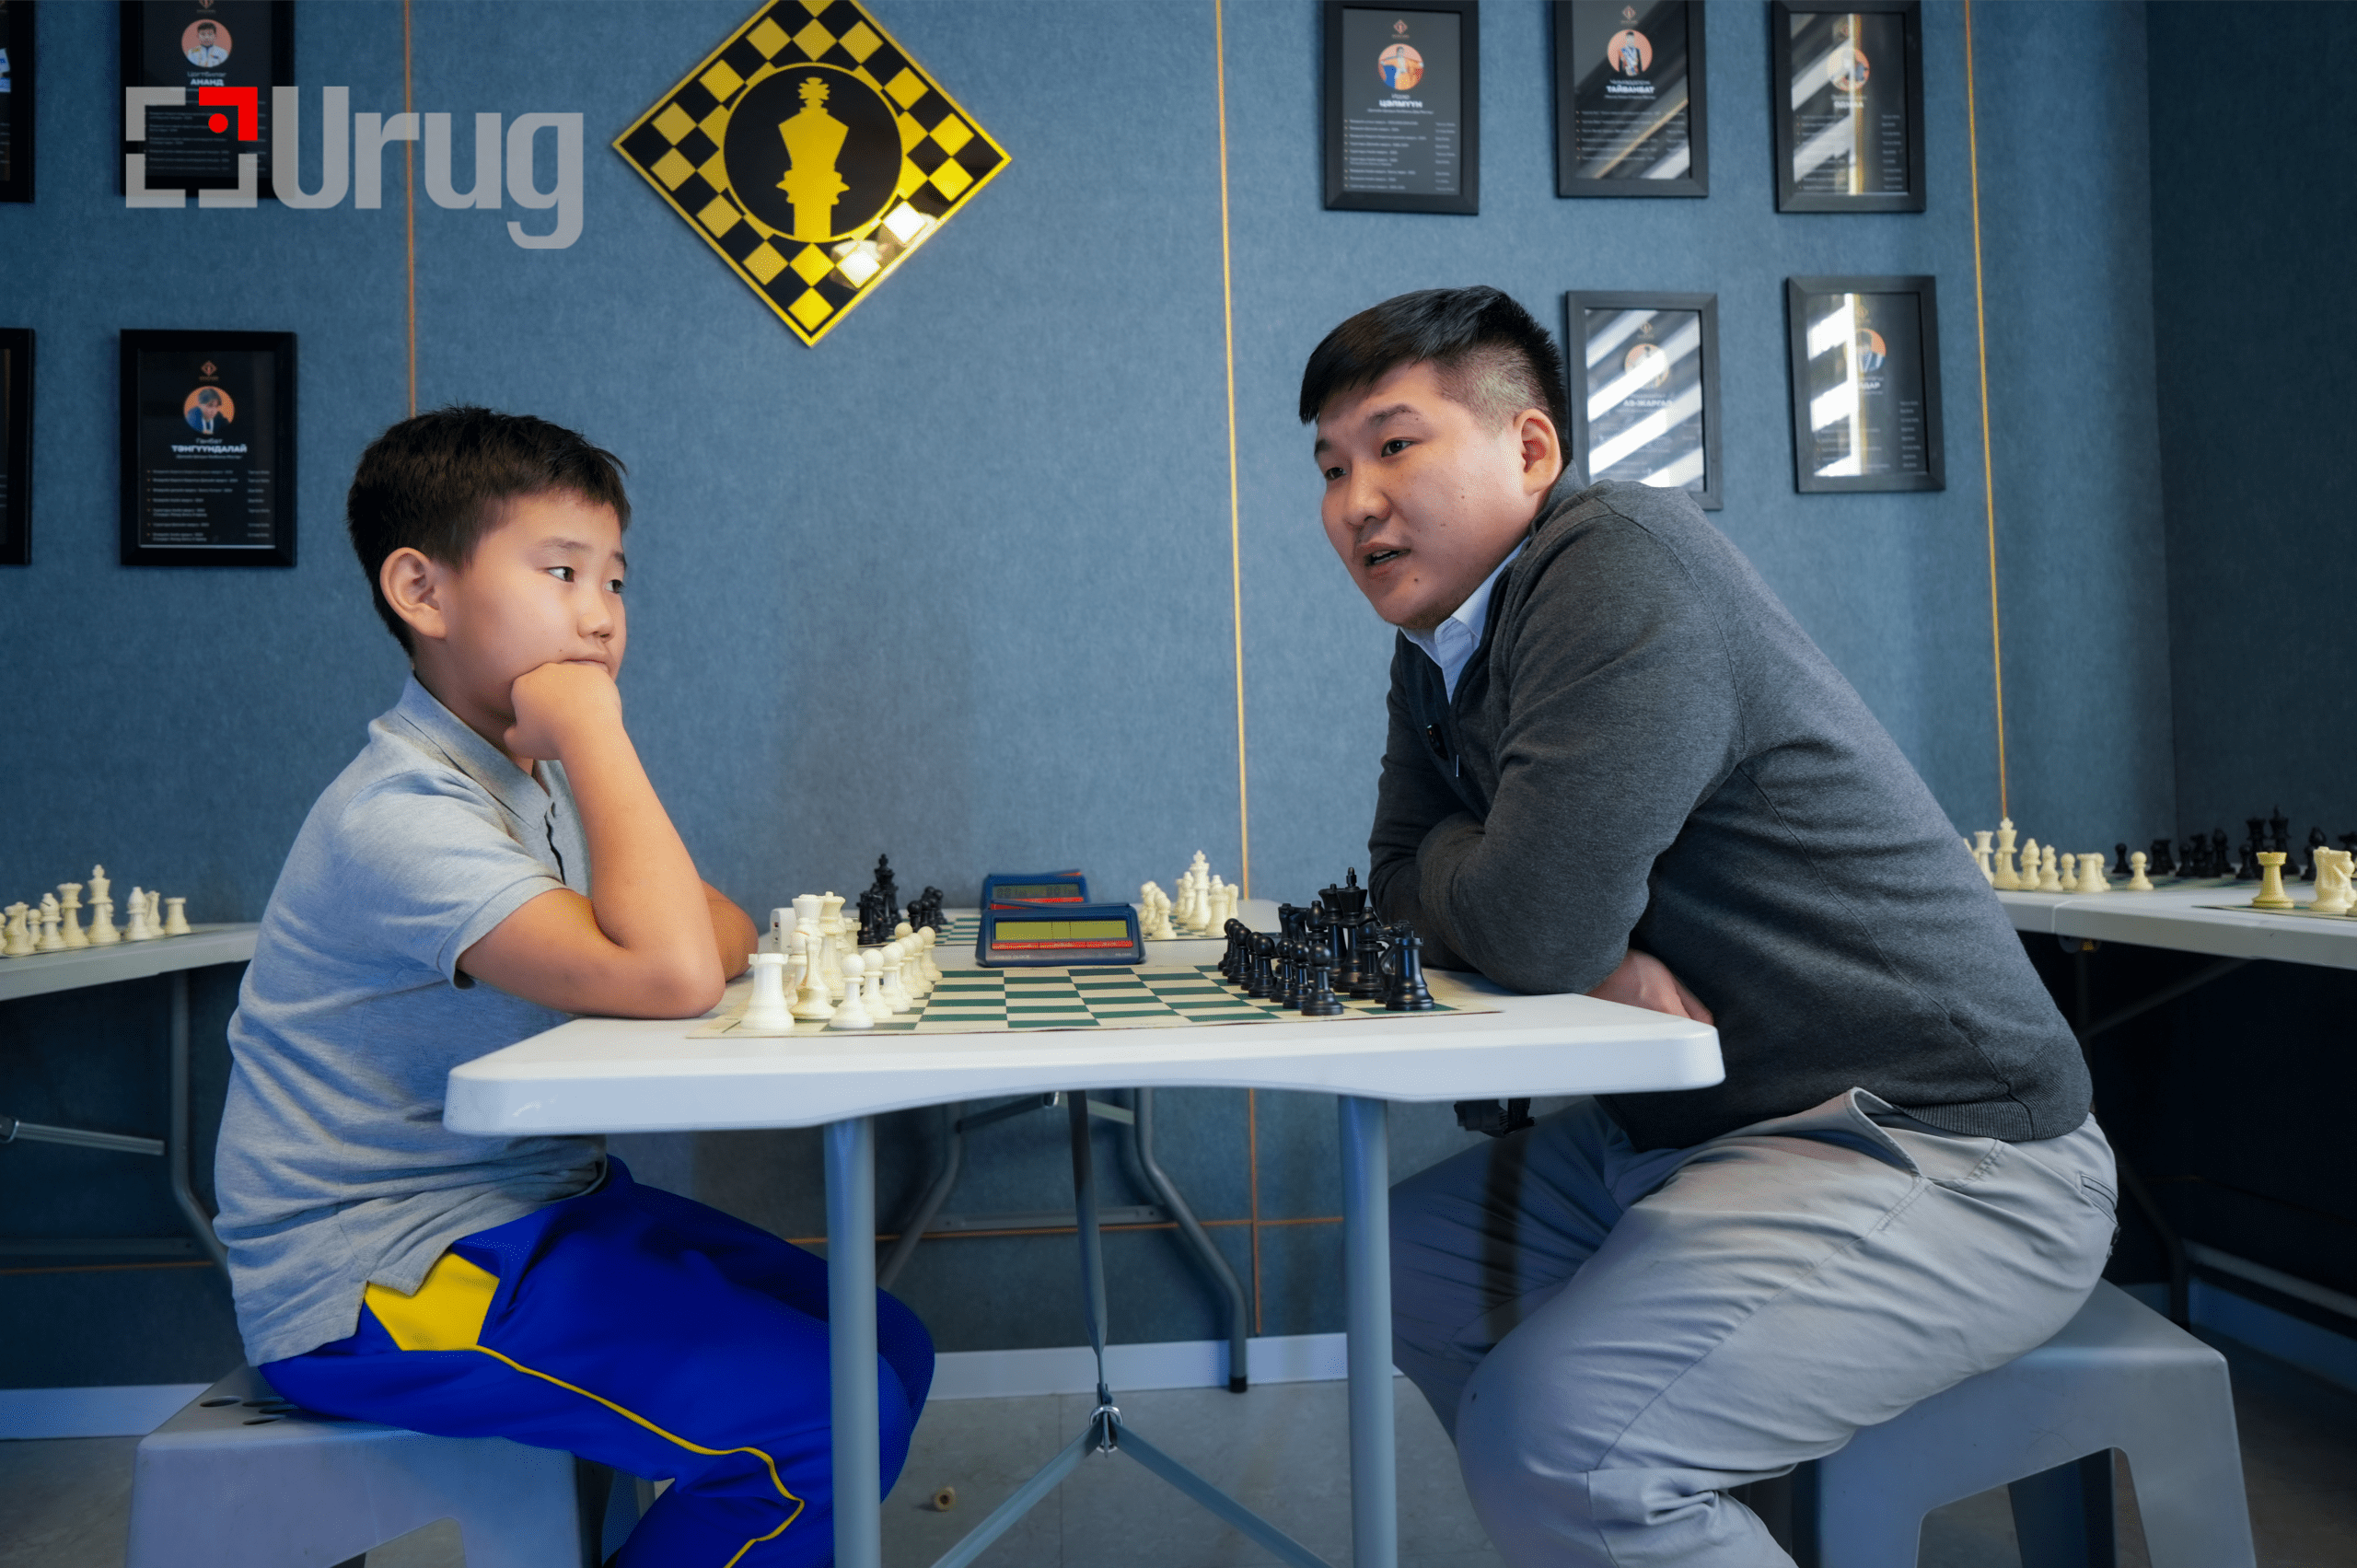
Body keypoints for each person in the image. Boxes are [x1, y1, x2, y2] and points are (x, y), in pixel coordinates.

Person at [1301, 287, 2115, 1568]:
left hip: (1936, 1144)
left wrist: (1555, 926)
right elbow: (1401, 879)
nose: (1356, 501)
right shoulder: (1436, 654)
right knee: (1396, 1262)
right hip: (1694, 1131)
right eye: (1331, 467)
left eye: (1395, 444)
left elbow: (1526, 924)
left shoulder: (1616, 564)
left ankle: (1614, 1492)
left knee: (1558, 1441)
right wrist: (1566, 935)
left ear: (1530, 447)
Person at [213, 407, 932, 1568]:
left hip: (540, 1205)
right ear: (421, 589)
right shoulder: (402, 812)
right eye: (560, 571)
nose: (600, 614)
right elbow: (676, 964)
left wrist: (594, 782)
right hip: (386, 1267)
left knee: (886, 1345)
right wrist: (597, 732)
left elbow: (720, 928)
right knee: (823, 1422)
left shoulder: (521, 785)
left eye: (615, 579)